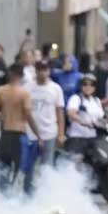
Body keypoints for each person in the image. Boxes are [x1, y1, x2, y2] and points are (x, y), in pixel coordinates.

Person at [0, 64, 41, 194]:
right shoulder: (24, 93)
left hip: (5, 134)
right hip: (19, 135)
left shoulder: (1, 90)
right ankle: (16, 203)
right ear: (21, 76)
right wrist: (39, 135)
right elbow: (28, 115)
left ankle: (2, 200)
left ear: (10, 74)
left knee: (4, 169)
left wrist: (1, 115)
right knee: (20, 170)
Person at [23, 61, 65, 193]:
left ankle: (46, 195)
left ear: (49, 71)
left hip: (49, 132)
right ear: (35, 71)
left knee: (47, 167)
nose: (42, 72)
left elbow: (60, 111)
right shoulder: (27, 87)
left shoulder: (56, 88)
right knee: (29, 167)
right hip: (30, 133)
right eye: (40, 69)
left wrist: (61, 133)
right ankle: (27, 194)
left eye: (45, 69)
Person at [65, 74, 104, 162]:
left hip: (92, 137)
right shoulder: (76, 98)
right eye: (85, 84)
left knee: (92, 164)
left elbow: (100, 117)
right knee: (75, 164)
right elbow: (71, 113)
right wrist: (83, 122)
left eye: (91, 85)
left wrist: (103, 123)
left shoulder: (97, 101)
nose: (88, 87)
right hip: (77, 137)